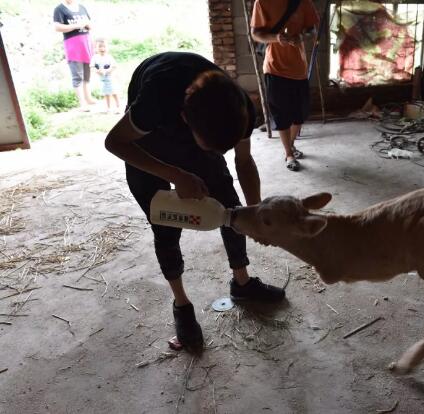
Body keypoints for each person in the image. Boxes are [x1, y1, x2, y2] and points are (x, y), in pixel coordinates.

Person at [105, 52, 285, 352]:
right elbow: (114, 142)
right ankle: (182, 306)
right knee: (165, 225)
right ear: (185, 119)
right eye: (214, 148)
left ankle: (242, 283)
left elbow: (243, 160)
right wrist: (175, 174)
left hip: (200, 134)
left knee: (231, 209)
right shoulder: (156, 99)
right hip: (143, 146)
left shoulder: (239, 107)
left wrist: (256, 212)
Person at [251, 0, 319, 172]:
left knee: (299, 114)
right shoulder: (263, 3)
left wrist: (302, 36)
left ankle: (292, 145)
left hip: (299, 69)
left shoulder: (303, 2)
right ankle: (289, 153)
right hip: (274, 68)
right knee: (281, 114)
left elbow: (312, 29)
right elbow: (255, 33)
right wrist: (276, 38)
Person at [53, 0, 95, 111]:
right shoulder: (59, 9)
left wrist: (87, 25)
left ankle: (88, 98)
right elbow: (57, 27)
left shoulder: (81, 7)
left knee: (87, 73)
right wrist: (76, 25)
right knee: (77, 75)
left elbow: (90, 24)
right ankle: (82, 103)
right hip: (72, 44)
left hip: (86, 42)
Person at [91, 38, 121, 113]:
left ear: (107, 48)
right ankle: (108, 107)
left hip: (110, 78)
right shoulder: (95, 57)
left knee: (114, 92)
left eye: (104, 46)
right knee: (106, 93)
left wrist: (107, 71)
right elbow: (92, 66)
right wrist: (97, 71)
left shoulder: (109, 57)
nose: (102, 48)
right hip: (102, 80)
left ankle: (118, 106)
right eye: (100, 47)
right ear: (96, 48)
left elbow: (114, 66)